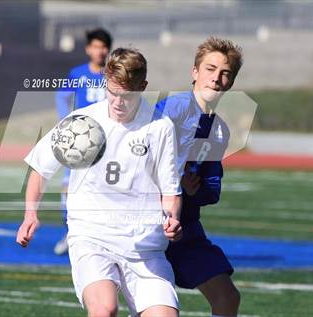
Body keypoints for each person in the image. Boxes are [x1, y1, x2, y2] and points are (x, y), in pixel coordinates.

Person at [17, 48, 182, 317]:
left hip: (145, 246)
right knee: (104, 309)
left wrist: (172, 218)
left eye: (126, 95)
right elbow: (40, 167)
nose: (117, 102)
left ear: (143, 87)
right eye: (112, 91)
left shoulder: (160, 126)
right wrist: (30, 213)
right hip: (92, 236)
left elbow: (170, 191)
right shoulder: (83, 122)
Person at [156, 37, 243, 317]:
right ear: (194, 72)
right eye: (210, 69)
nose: (216, 78)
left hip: (187, 231)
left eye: (225, 73)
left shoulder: (220, 130)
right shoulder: (172, 109)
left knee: (228, 298)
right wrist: (171, 181)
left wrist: (196, 189)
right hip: (149, 227)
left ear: (231, 82)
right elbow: (141, 158)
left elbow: (212, 190)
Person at [54, 28, 112, 255]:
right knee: (68, 187)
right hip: (80, 140)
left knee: (105, 185)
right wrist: (65, 122)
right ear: (88, 49)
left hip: (107, 140)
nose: (100, 51)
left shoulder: (113, 74)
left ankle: (102, 236)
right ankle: (69, 233)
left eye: (104, 46)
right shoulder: (78, 73)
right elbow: (62, 96)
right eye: (96, 46)